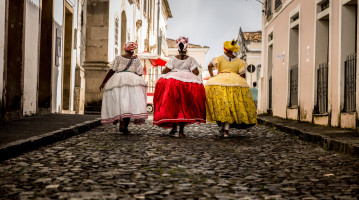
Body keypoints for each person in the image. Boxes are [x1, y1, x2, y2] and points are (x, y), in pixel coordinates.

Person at [153, 36, 206, 137]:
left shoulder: (173, 59)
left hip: (173, 83)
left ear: (178, 48)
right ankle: (181, 132)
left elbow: (165, 71)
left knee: (174, 105)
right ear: (186, 48)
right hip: (186, 84)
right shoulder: (191, 59)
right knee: (183, 106)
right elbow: (195, 72)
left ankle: (173, 127)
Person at [205, 40, 257, 137]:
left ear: (225, 50)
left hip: (220, 83)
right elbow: (242, 73)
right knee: (230, 107)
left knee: (223, 107)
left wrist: (212, 76)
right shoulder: (239, 61)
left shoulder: (219, 59)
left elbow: (209, 65)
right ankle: (225, 130)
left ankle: (224, 129)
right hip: (235, 83)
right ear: (233, 51)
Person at [100, 42, 148, 134]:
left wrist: (104, 82)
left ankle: (120, 123)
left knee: (120, 103)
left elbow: (112, 70)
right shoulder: (136, 60)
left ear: (125, 49)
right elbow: (139, 73)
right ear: (133, 50)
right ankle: (125, 127)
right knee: (129, 104)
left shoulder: (118, 58)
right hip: (132, 82)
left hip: (118, 81)